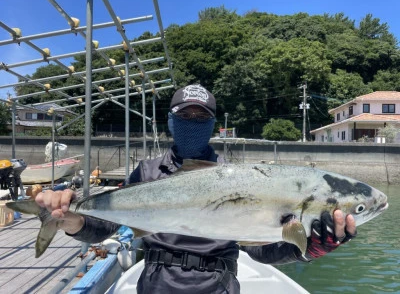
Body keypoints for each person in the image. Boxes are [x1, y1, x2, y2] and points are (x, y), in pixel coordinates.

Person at [36, 84, 357, 294]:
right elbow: (104, 225)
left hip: (217, 286)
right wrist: (72, 221)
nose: (192, 122)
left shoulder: (237, 178)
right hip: (157, 284)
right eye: (184, 116)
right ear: (171, 122)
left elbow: (261, 248)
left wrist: (309, 247)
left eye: (200, 117)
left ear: (213, 125)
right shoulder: (146, 172)